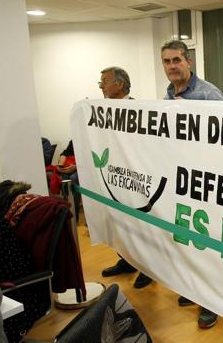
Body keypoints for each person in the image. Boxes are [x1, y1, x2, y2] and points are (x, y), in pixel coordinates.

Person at [162, 40, 223, 328]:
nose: (172, 66)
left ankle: (211, 301)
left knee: (207, 245)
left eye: (177, 60)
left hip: (207, 181)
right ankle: (196, 290)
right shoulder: (167, 94)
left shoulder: (209, 94)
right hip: (181, 179)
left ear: (189, 62)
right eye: (166, 61)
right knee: (188, 241)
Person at [98, 67, 153, 290]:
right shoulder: (101, 111)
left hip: (135, 179)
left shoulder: (138, 111)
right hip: (114, 177)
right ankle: (127, 260)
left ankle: (147, 268)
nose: (101, 86)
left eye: (104, 81)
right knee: (120, 223)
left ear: (119, 85)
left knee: (140, 226)